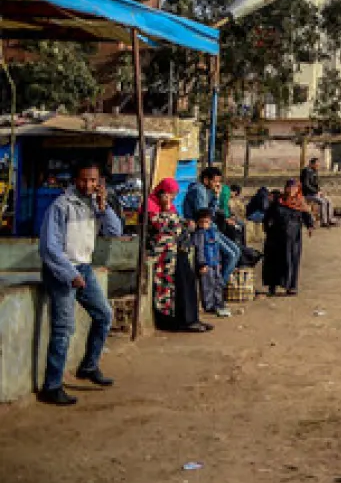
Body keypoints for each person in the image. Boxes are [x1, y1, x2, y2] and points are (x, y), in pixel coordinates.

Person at [36, 163, 126, 405]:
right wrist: (68, 274)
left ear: (100, 182)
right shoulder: (61, 206)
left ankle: (89, 365)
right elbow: (49, 248)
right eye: (84, 180)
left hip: (83, 267)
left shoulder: (95, 205)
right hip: (62, 271)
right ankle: (52, 385)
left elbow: (115, 230)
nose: (88, 185)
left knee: (104, 315)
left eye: (93, 180)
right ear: (75, 180)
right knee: (64, 328)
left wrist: (104, 206)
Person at [146, 178, 212, 334]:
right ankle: (182, 321)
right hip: (164, 254)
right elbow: (160, 225)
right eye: (171, 194)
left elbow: (178, 222)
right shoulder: (151, 205)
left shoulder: (169, 206)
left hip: (177, 250)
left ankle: (192, 319)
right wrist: (166, 208)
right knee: (174, 287)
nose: (173, 197)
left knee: (188, 282)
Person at [186, 167, 241, 282]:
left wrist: (216, 197)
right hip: (204, 231)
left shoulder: (207, 191)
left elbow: (212, 211)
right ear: (206, 180)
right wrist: (215, 200)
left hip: (211, 228)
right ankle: (219, 284)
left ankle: (219, 283)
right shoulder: (199, 190)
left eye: (218, 182)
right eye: (215, 181)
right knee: (231, 255)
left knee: (236, 251)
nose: (217, 184)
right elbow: (204, 215)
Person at [262, 179, 313, 297]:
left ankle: (291, 286)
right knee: (275, 260)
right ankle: (272, 286)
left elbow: (306, 215)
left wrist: (310, 226)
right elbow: (268, 216)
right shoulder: (278, 201)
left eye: (294, 188)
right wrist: (267, 228)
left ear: (298, 189)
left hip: (293, 236)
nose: (291, 191)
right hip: (277, 236)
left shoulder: (300, 202)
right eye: (289, 188)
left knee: (292, 260)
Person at [189, 208, 231, 318]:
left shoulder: (213, 233)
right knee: (207, 285)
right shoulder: (199, 234)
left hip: (215, 263)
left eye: (207, 222)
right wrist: (202, 264)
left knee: (217, 283)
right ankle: (209, 305)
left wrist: (219, 261)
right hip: (206, 264)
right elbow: (200, 250)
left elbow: (216, 249)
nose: (204, 225)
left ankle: (218, 302)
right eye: (202, 222)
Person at [300, 157, 338, 228]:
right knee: (323, 202)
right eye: (317, 164)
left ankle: (330, 219)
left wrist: (320, 191)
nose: (318, 165)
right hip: (307, 194)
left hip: (315, 193)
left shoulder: (314, 171)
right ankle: (324, 222)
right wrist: (315, 192)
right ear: (311, 164)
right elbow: (306, 185)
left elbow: (316, 184)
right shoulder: (306, 171)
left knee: (329, 201)